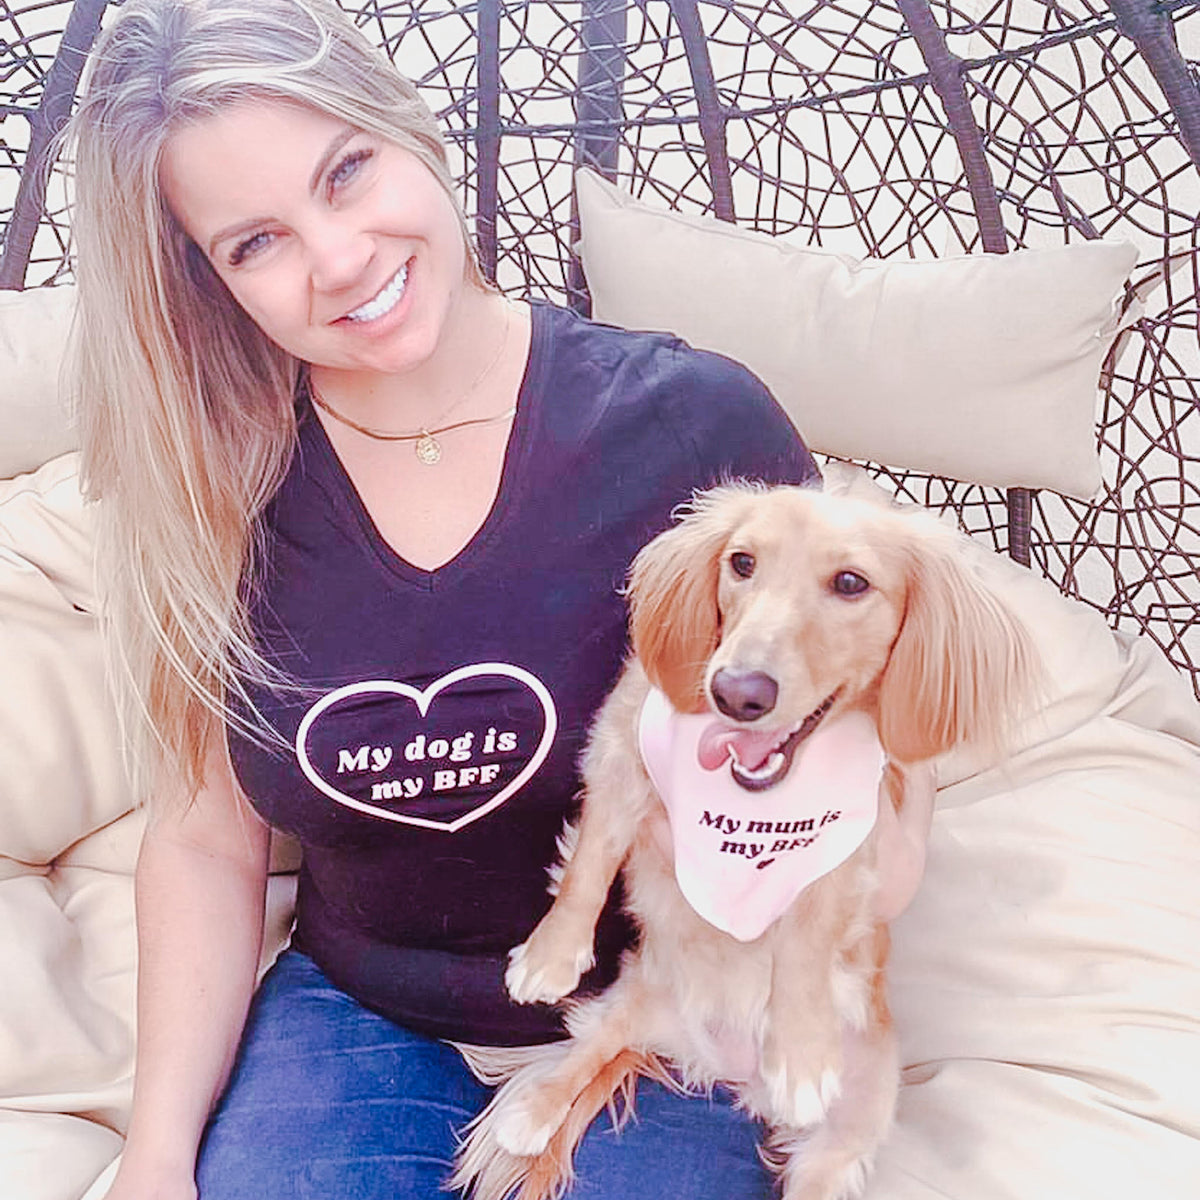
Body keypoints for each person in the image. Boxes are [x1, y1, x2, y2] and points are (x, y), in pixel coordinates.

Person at [66, 1, 933, 1197]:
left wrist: (858, 867)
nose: (340, 260)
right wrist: (155, 1156)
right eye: (253, 243)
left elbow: (872, 713)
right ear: (210, 286)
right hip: (361, 1006)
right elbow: (209, 840)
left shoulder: (690, 426)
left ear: (412, 133)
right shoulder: (220, 490)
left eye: (348, 171)